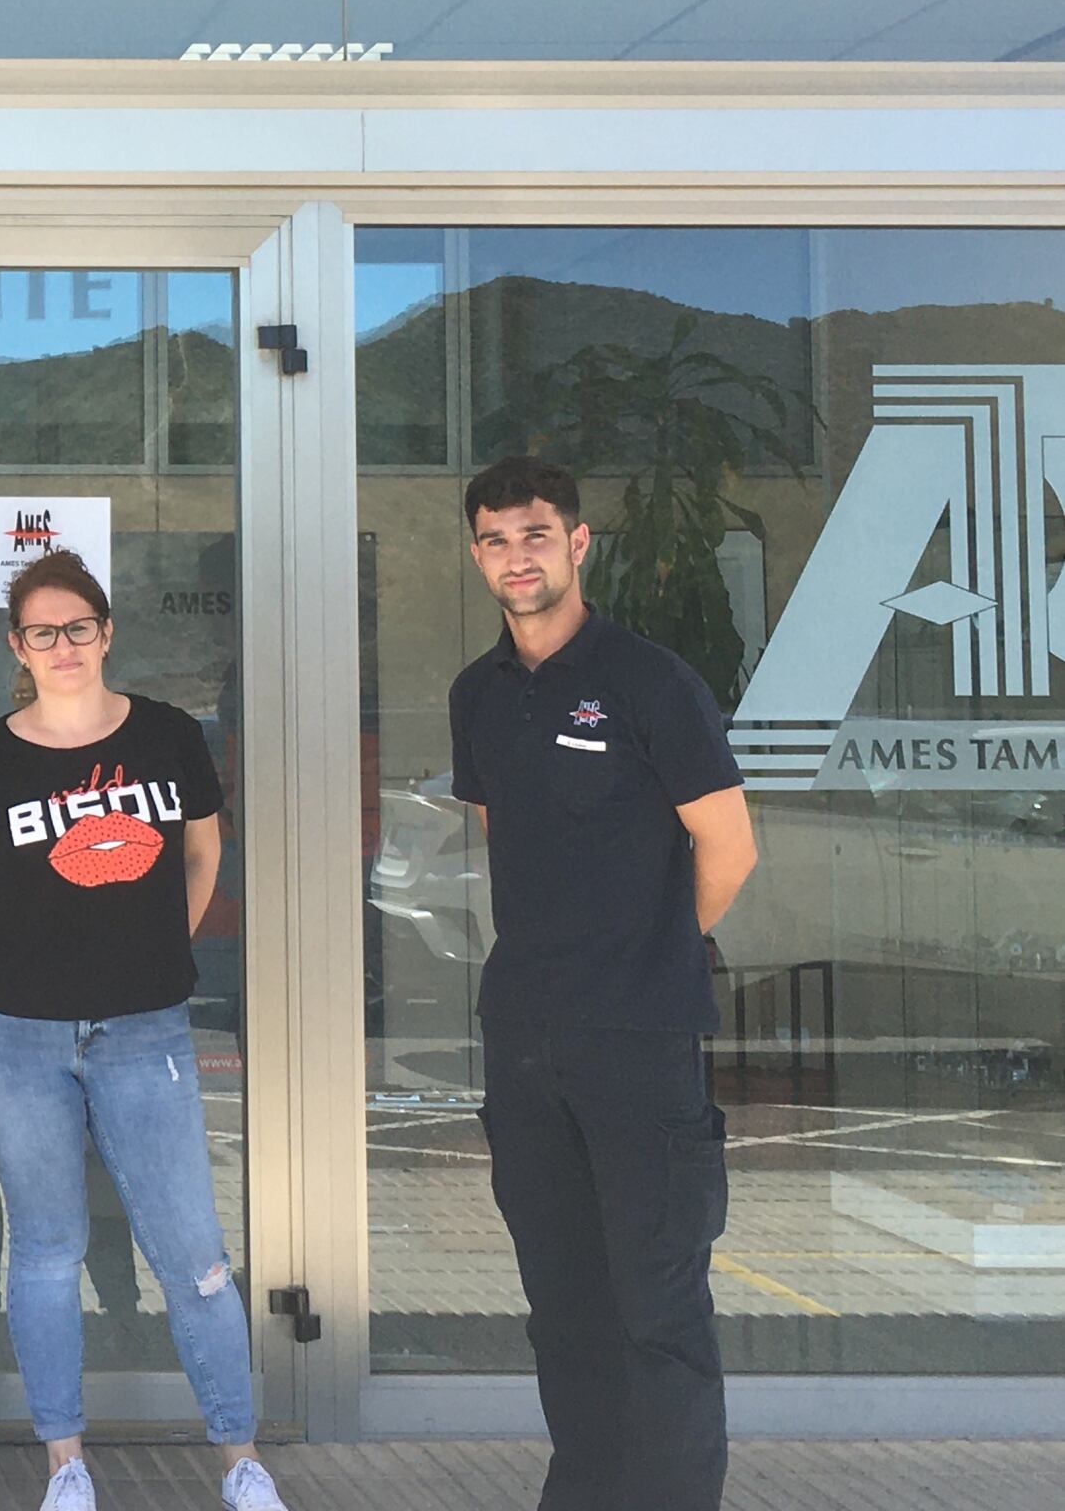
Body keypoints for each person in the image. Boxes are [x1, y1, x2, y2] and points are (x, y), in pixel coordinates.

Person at [0, 550, 288, 1511]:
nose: (63, 646)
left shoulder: (166, 735)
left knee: (194, 1257)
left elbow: (202, 849)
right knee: (46, 1253)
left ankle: (240, 1460)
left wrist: (159, 944)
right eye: (41, 632)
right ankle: (66, 1465)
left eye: (77, 627)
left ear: (106, 631)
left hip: (142, 1031)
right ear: (17, 646)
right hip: (12, 1036)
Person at [452, 454, 757, 1511]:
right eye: (495, 539)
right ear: (477, 554)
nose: (516, 556)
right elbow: (502, 835)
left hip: (637, 1038)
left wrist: (649, 946)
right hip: (523, 1039)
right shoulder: (477, 694)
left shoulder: (649, 680)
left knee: (658, 1310)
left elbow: (728, 847)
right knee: (564, 1310)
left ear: (577, 542)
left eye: (535, 534)